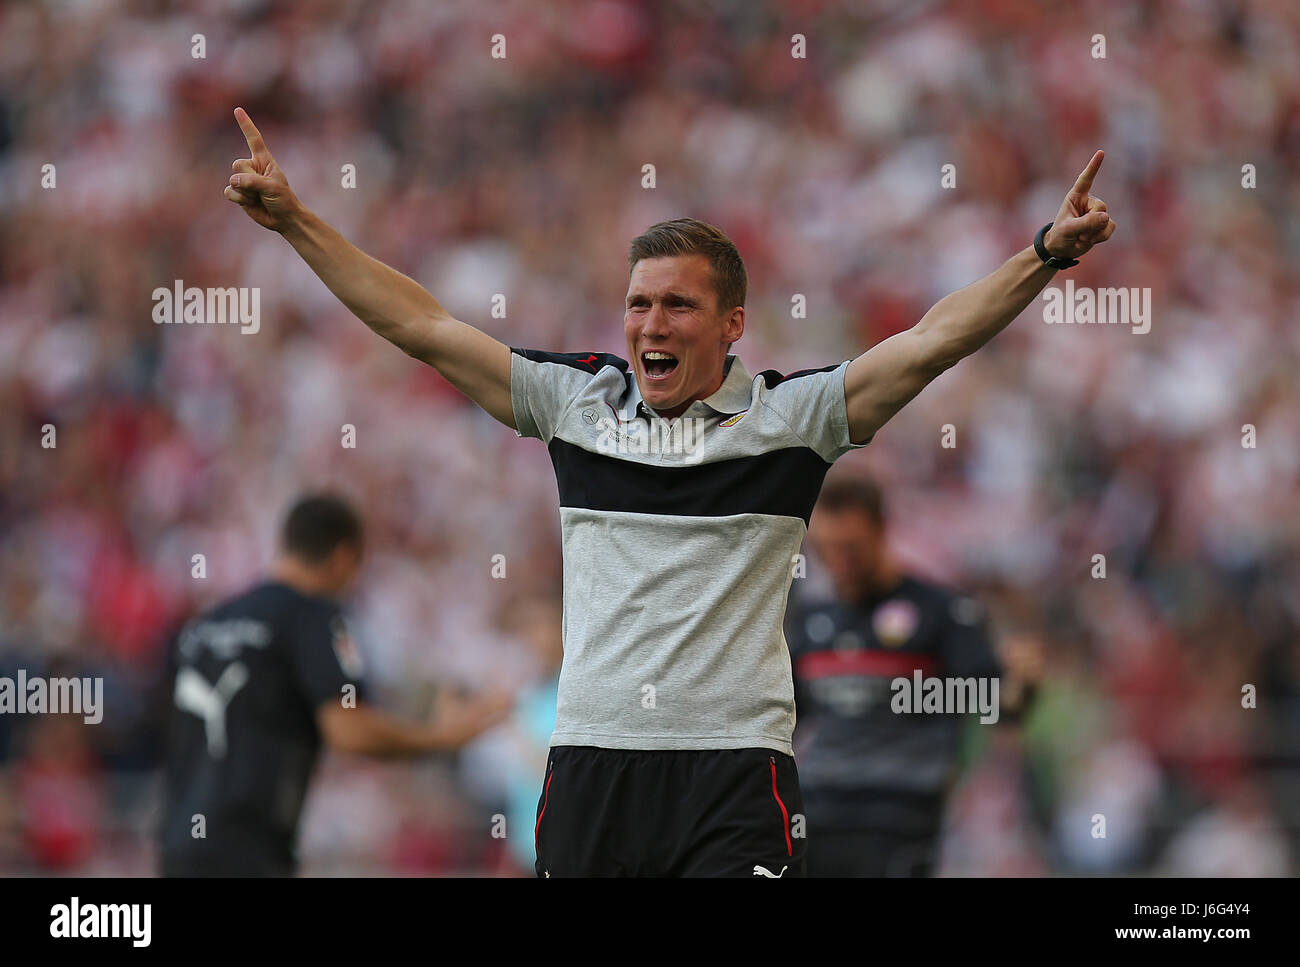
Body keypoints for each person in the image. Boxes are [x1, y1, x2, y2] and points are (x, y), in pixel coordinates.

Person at [221, 107, 1115, 876]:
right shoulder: (575, 401)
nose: (651, 322)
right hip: (593, 768)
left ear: (732, 325)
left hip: (733, 773)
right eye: (639, 302)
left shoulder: (791, 420)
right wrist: (298, 222)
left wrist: (1041, 255)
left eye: (678, 306)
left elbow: (931, 342)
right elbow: (420, 324)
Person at [158, 493, 511, 876]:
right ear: (344, 557)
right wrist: (438, 737)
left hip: (178, 846)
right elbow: (348, 729)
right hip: (249, 850)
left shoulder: (203, 627)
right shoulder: (314, 615)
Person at [788, 476, 1040, 876]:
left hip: (902, 811)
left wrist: (1024, 684)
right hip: (820, 807)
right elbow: (785, 719)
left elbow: (999, 705)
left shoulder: (943, 613)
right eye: (826, 550)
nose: (839, 562)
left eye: (851, 548)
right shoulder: (812, 622)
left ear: (882, 531)